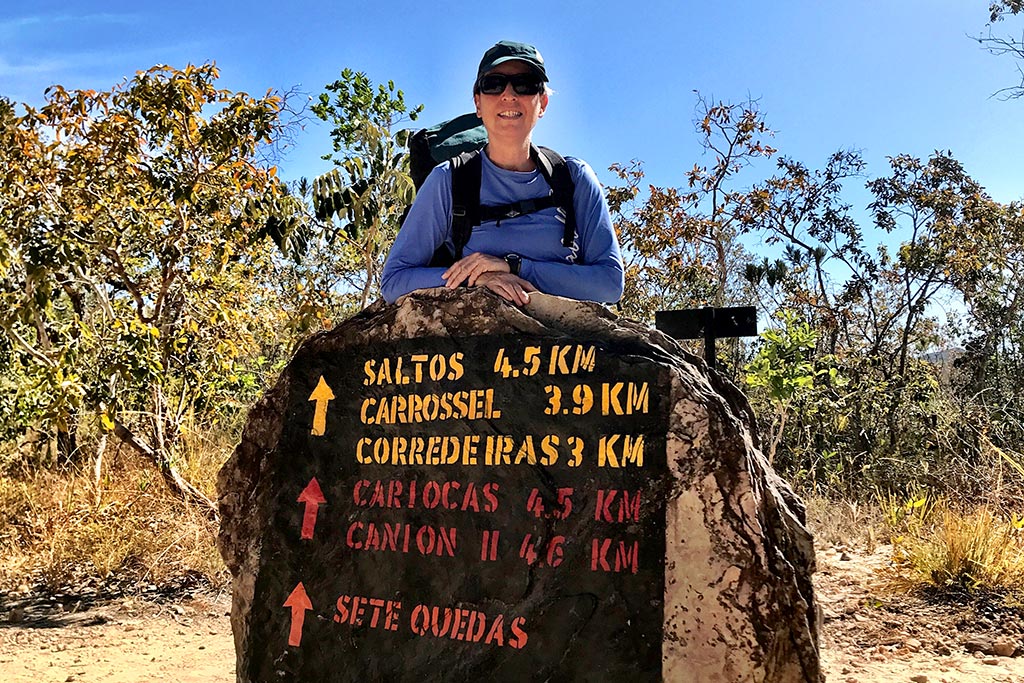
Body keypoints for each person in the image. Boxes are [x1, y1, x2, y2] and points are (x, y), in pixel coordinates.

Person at [380, 40, 624, 307]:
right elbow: (394, 281)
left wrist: (514, 267)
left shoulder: (574, 178)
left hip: (566, 334)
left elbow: (609, 284)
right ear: (478, 103)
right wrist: (477, 279)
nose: (509, 94)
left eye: (525, 84)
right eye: (494, 84)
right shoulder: (448, 180)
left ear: (542, 103)